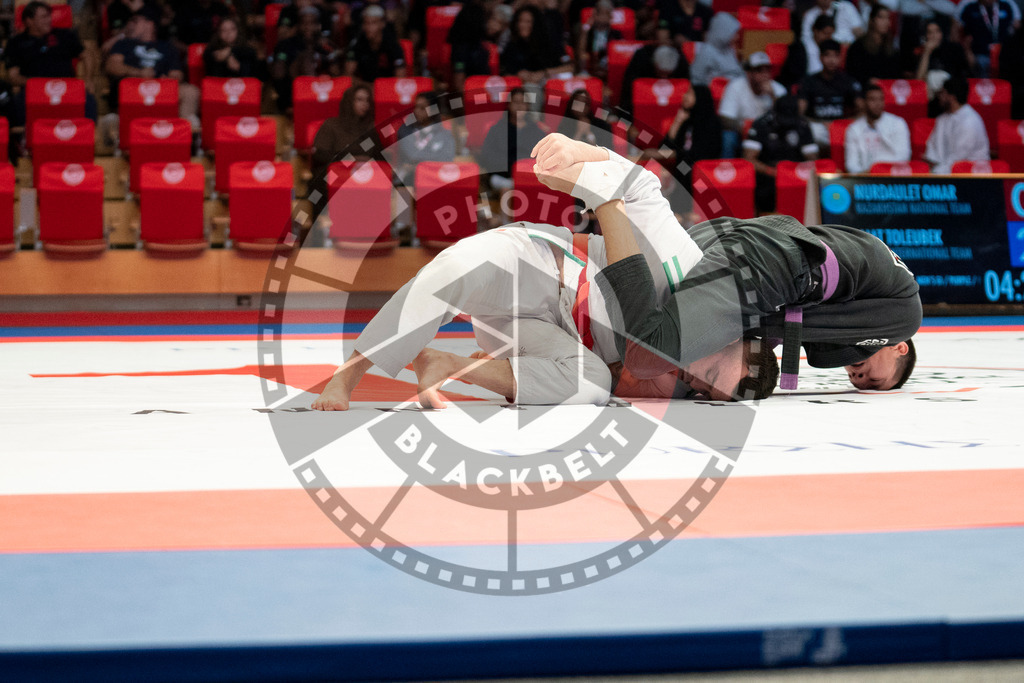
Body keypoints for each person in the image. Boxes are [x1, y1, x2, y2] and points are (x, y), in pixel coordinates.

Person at [531, 136, 921, 399]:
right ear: (899, 347)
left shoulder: (869, 294)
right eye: (875, 378)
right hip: (772, 263)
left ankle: (631, 186)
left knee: (666, 301)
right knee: (649, 353)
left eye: (859, 381)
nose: (861, 379)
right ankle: (614, 197)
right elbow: (807, 335)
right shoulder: (904, 316)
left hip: (744, 242)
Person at [104, 9, 200, 138]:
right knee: (121, 88)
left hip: (161, 89)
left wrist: (169, 80)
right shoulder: (124, 44)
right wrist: (139, 73)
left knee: (191, 91)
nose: (130, 25)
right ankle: (121, 136)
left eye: (135, 21)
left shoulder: (167, 47)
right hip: (132, 89)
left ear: (150, 24)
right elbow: (112, 66)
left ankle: (183, 137)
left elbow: (177, 74)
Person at [4, 0, 98, 131]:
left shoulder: (65, 35)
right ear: (29, 21)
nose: (49, 20)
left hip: (67, 88)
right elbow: (13, 76)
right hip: (34, 91)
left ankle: (89, 135)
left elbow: (87, 55)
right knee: (15, 103)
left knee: (87, 99)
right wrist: (37, 84)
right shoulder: (16, 43)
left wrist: (88, 79)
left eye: (49, 16)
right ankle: (22, 140)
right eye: (43, 17)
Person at [744, 95, 819, 213]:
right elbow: (749, 159)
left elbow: (813, 159)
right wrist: (771, 171)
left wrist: (796, 173)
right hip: (768, 173)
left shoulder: (803, 125)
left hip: (796, 174)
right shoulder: (761, 124)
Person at [478, 87, 549, 198]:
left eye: (523, 103)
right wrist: (513, 166)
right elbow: (487, 157)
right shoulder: (496, 129)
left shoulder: (537, 132)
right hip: (503, 177)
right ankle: (505, 215)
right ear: (509, 105)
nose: (519, 106)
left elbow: (544, 159)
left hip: (529, 178)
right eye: (516, 102)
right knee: (506, 186)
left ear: (528, 106)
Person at [718, 52, 787, 158]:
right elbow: (725, 118)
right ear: (749, 73)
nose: (765, 74)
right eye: (759, 70)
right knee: (728, 137)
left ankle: (785, 171)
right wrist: (745, 128)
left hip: (771, 134)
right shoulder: (735, 86)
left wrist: (773, 97)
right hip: (743, 132)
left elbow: (787, 118)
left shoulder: (778, 90)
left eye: (767, 69)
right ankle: (727, 171)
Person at [797, 39, 864, 147]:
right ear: (820, 57)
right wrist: (820, 123)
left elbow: (862, 110)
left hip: (842, 126)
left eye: (836, 56)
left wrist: (840, 124)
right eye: (827, 55)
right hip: (817, 126)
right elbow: (800, 112)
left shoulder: (848, 81)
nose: (832, 60)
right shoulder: (809, 82)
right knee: (810, 131)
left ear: (840, 58)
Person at [273, 6, 341, 112]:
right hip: (291, 96)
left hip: (323, 94)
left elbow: (336, 74)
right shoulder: (285, 45)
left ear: (318, 26)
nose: (308, 27)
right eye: (304, 23)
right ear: (298, 26)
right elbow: (278, 75)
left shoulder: (326, 46)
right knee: (305, 58)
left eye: (312, 23)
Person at [311, 83, 382, 184]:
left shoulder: (370, 128)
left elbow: (379, 156)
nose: (365, 104)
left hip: (364, 177)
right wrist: (351, 159)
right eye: (359, 100)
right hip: (336, 176)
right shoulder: (332, 125)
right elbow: (320, 156)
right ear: (349, 102)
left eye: (367, 100)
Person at [619, 21, 690, 114]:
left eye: (668, 74)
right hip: (643, 108)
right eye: (661, 73)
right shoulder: (641, 57)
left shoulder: (681, 61)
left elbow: (687, 92)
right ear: (654, 63)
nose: (664, 78)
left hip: (673, 110)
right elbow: (628, 92)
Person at [924, 75, 990, 173]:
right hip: (943, 173)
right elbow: (932, 148)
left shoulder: (970, 120)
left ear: (952, 97)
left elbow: (959, 157)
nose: (939, 97)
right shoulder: (942, 119)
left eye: (942, 93)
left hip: (970, 175)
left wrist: (935, 173)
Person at [844, 84, 912, 173]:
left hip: (893, 177)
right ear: (863, 102)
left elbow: (903, 156)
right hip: (865, 180)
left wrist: (879, 170)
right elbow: (851, 164)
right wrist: (864, 175)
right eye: (872, 99)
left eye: (881, 99)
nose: (878, 104)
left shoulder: (897, 123)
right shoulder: (854, 129)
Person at [500, 5, 572, 85]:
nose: (522, 25)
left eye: (528, 22)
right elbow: (505, 71)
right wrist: (518, 74)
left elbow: (570, 67)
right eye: (520, 21)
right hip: (521, 88)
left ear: (536, 24)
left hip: (548, 85)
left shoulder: (549, 43)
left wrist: (543, 73)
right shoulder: (512, 46)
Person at [396, 92, 456, 184]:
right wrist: (435, 158)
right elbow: (412, 155)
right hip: (408, 179)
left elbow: (448, 158)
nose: (416, 111)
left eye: (422, 108)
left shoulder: (444, 129)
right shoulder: (405, 129)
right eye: (416, 107)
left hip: (436, 178)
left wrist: (417, 165)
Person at [912, 19, 972, 108]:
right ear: (925, 36)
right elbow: (918, 81)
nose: (934, 36)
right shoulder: (919, 52)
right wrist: (927, 52)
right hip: (930, 99)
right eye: (930, 32)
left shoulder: (954, 49)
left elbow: (963, 76)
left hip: (950, 96)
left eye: (937, 31)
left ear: (942, 33)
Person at [954, 0, 1021, 76]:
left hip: (1004, 56)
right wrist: (967, 52)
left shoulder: (1008, 4)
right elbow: (955, 32)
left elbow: (1017, 31)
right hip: (978, 55)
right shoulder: (968, 5)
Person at [343, 4, 406, 82]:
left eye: (373, 23)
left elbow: (400, 77)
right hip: (365, 88)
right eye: (366, 23)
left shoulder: (392, 45)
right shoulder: (357, 43)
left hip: (387, 87)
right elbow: (348, 75)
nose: (369, 28)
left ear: (382, 24)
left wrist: (380, 88)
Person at [844, 5, 902, 88]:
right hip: (865, 91)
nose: (886, 22)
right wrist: (868, 81)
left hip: (887, 93)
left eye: (888, 18)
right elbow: (852, 74)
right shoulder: (858, 47)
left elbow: (896, 75)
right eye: (881, 18)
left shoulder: (892, 48)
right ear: (872, 20)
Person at [689, 12, 743, 86]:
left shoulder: (729, 50)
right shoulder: (706, 52)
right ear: (723, 32)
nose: (738, 37)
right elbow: (696, 79)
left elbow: (737, 72)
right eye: (734, 34)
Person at [576, 0, 623, 79]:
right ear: (595, 14)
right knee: (584, 57)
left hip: (608, 67)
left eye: (607, 14)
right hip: (592, 66)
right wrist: (586, 28)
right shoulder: (588, 32)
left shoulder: (616, 34)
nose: (604, 17)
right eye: (601, 13)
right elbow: (581, 51)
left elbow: (619, 55)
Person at [801, 0, 865, 45]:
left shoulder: (844, 6)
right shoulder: (811, 14)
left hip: (848, 48)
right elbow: (806, 38)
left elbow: (858, 30)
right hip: (824, 52)